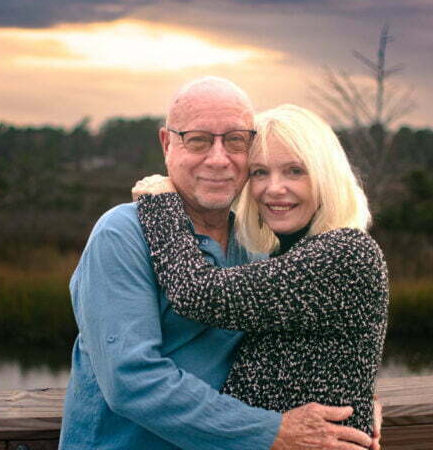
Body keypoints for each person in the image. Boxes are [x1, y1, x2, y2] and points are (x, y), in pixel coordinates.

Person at [60, 78, 380, 450]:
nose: (217, 158)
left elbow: (313, 348)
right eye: (198, 140)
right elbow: (131, 380)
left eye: (234, 141)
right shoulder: (122, 234)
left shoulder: (258, 244)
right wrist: (271, 432)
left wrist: (354, 400)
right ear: (167, 144)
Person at [133, 104, 388, 439]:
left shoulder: (346, 253)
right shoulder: (281, 254)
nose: (274, 188)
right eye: (260, 172)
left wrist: (161, 204)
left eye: (295, 171)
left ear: (326, 176)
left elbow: (198, 294)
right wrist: (361, 396)